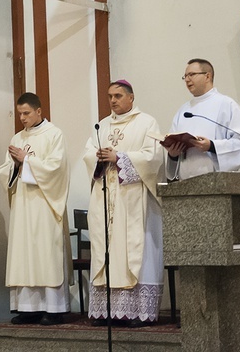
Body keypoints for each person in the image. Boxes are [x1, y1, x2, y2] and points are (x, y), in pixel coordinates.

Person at [83, 80, 164, 327]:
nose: (113, 100)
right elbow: (88, 152)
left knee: (132, 250)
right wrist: (96, 158)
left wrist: (119, 157)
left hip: (133, 197)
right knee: (106, 250)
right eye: (110, 96)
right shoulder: (102, 125)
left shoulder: (146, 122)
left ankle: (137, 312)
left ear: (131, 97)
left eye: (118, 95)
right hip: (106, 195)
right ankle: (106, 311)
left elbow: (153, 157)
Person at [0, 92, 71, 326]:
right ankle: (28, 308)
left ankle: (54, 308)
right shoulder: (17, 138)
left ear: (39, 111)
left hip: (46, 205)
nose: (22, 118)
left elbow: (57, 169)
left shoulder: (54, 135)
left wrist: (26, 161)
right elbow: (5, 170)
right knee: (25, 253)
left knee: (46, 254)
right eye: (19, 113)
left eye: (26, 113)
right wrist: (16, 165)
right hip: (23, 206)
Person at [166, 58, 240, 181]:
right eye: (185, 76)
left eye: (191, 74)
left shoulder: (226, 105)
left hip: (216, 182)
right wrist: (173, 154)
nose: (187, 79)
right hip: (185, 184)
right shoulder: (183, 111)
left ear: (207, 76)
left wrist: (211, 146)